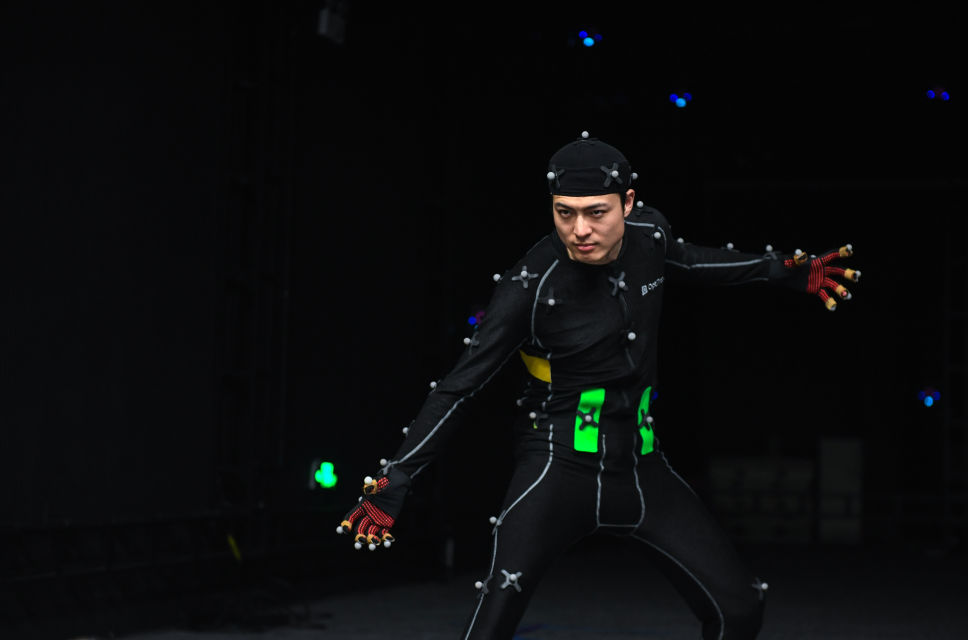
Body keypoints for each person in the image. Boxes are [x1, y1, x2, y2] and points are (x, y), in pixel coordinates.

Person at [336, 131, 860, 639]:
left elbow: (694, 260)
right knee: (491, 625)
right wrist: (395, 479)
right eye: (565, 213)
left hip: (643, 468)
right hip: (556, 466)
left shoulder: (649, 236)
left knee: (740, 609)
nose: (579, 230)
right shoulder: (529, 285)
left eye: (596, 212)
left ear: (627, 203)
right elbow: (459, 386)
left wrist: (785, 270)